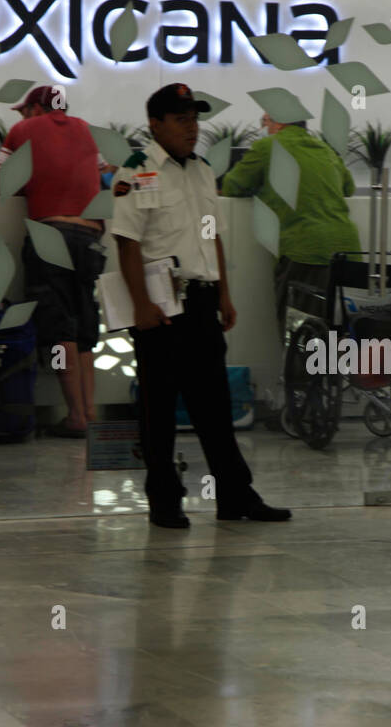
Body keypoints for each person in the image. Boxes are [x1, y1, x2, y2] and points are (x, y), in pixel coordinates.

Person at [109, 83, 290, 528]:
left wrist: (225, 293)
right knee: (159, 408)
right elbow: (126, 242)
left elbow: (212, 236)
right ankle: (164, 501)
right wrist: (140, 306)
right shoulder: (136, 171)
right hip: (160, 306)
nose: (192, 129)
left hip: (203, 299)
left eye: (195, 119)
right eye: (181, 120)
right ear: (156, 123)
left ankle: (235, 496)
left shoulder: (204, 170)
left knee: (214, 405)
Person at [0, 85, 105, 438]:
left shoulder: (23, 131)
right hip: (90, 239)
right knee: (85, 329)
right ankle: (89, 412)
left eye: (25, 110)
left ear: (38, 108)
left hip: (50, 234)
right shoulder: (87, 130)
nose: (23, 117)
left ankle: (74, 417)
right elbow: (104, 181)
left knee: (58, 329)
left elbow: (0, 185)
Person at [219, 113, 361, 334]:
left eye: (265, 122)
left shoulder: (267, 147)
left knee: (301, 337)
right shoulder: (325, 149)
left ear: (279, 122)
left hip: (305, 251)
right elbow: (348, 187)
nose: (263, 127)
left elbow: (232, 185)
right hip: (348, 252)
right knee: (341, 336)